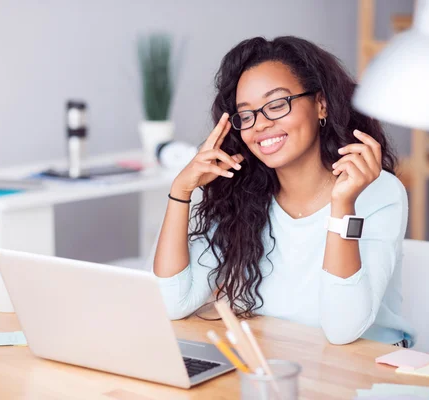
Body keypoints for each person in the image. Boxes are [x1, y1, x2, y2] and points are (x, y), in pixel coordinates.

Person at [152, 36, 415, 347]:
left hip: (364, 371)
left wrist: (343, 204)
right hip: (278, 363)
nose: (260, 124)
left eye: (277, 105)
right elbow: (172, 302)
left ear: (321, 104)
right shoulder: (242, 194)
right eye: (246, 115)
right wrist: (181, 191)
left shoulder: (378, 192)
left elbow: (343, 329)